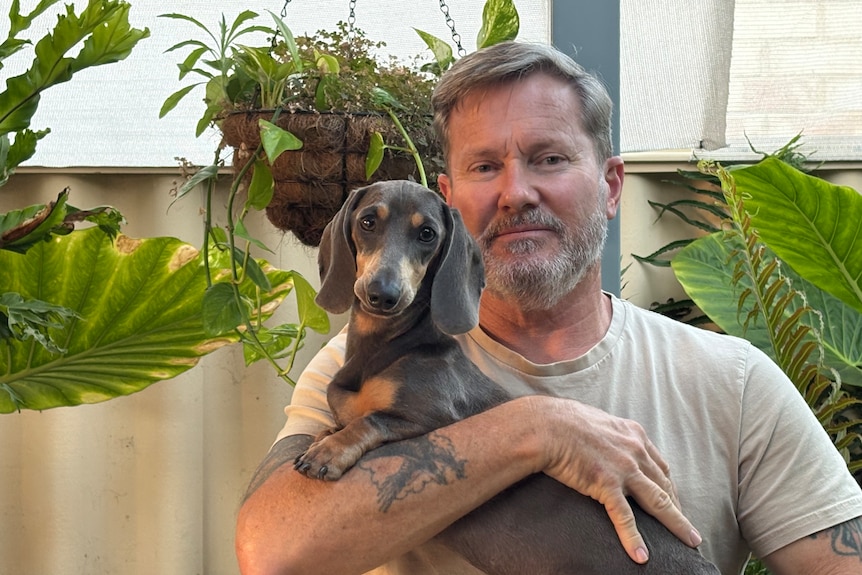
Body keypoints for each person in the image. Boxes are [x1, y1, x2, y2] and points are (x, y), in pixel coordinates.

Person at [234, 41, 862, 575]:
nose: (516, 193)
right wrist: (537, 429)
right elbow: (270, 550)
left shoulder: (733, 382)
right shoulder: (364, 362)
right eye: (485, 166)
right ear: (448, 200)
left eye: (549, 159)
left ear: (611, 186)